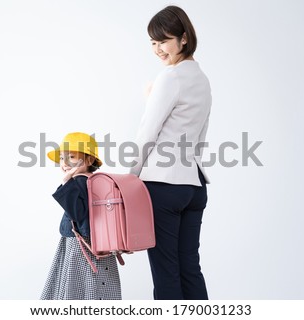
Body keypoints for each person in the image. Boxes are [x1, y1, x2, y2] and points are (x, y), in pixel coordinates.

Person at [130, 5, 212, 300]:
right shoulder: (202, 80)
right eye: (153, 42)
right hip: (195, 185)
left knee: (166, 271)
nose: (158, 49)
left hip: (164, 186)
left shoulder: (169, 78)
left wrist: (130, 177)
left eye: (163, 41)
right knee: (190, 268)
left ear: (184, 39)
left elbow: (147, 132)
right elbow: (200, 136)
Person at [41, 132, 122, 300]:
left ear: (90, 160)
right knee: (94, 281)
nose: (65, 163)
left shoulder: (79, 181)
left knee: (78, 282)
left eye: (71, 157)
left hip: (80, 244)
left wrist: (65, 183)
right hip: (98, 240)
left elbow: (77, 213)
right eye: (62, 158)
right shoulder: (96, 180)